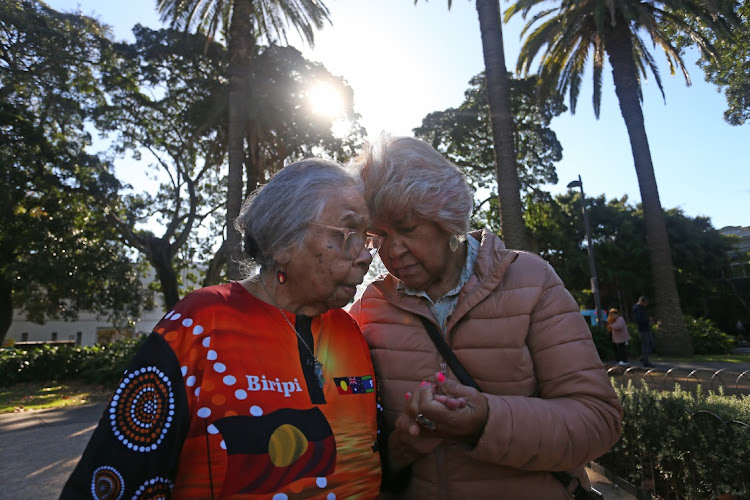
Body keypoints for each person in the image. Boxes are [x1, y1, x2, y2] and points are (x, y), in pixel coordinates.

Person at [61, 159, 384, 499]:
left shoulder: (351, 332)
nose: (365, 256)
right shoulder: (199, 325)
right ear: (284, 241)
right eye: (349, 234)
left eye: (367, 238)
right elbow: (113, 481)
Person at [347, 135, 623, 499]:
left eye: (408, 228)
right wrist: (399, 449)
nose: (391, 250)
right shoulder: (370, 306)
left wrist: (485, 421)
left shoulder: (530, 281)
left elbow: (598, 421)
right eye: (377, 235)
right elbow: (355, 449)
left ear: (445, 215)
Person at [632, 296, 655, 368]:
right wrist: (647, 321)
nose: (646, 305)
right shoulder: (636, 309)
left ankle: (643, 358)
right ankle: (645, 361)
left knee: (651, 344)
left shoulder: (642, 308)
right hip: (642, 329)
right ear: (642, 301)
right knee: (645, 345)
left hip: (647, 329)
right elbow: (638, 320)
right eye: (645, 303)